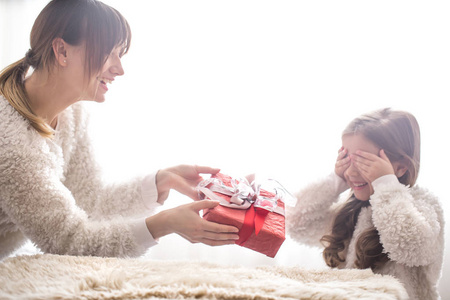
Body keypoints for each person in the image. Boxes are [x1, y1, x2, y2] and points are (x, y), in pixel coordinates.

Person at [0, 0, 239, 260]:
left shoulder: (72, 115)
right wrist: (163, 224)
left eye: (120, 54)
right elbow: (68, 240)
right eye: (109, 52)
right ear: (62, 51)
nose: (119, 69)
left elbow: (89, 200)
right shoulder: (10, 139)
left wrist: (159, 181)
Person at [286, 108, 444, 300]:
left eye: (364, 162)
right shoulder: (352, 209)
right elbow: (296, 224)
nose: (351, 172)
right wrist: (335, 181)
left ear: (401, 167)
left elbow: (410, 246)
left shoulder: (422, 205)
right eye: (346, 159)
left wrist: (385, 184)